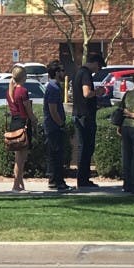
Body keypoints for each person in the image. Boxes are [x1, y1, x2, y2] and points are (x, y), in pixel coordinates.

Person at [71, 52, 104, 188]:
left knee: (83, 147)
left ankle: (83, 179)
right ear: (95, 63)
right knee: (86, 148)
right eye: (99, 67)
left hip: (79, 114)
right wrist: (97, 92)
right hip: (85, 116)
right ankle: (83, 180)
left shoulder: (78, 72)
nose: (99, 70)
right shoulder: (86, 74)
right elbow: (86, 93)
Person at [6, 66, 36, 192]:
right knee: (21, 158)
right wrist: (34, 120)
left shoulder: (9, 91)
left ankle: (20, 184)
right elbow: (28, 110)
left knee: (18, 156)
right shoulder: (22, 91)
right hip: (23, 123)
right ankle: (15, 185)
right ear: (23, 76)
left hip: (14, 123)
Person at [43, 61, 71, 192]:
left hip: (54, 127)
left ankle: (55, 181)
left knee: (55, 155)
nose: (64, 73)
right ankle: (57, 182)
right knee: (56, 155)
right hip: (54, 127)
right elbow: (53, 110)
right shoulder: (53, 88)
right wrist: (61, 124)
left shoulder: (54, 87)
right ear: (56, 72)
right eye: (62, 70)